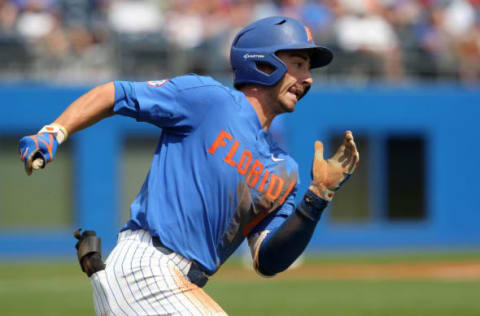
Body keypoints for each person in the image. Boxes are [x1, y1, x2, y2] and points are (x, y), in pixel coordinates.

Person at [18, 16, 359, 316]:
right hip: (146, 267)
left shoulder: (285, 170)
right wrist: (55, 131)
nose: (308, 78)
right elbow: (116, 94)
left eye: (308, 68)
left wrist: (318, 196)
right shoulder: (209, 99)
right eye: (299, 63)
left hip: (177, 284)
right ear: (263, 63)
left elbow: (268, 261)